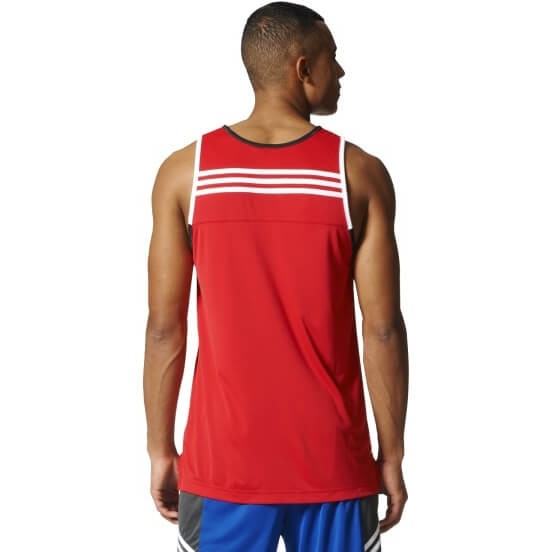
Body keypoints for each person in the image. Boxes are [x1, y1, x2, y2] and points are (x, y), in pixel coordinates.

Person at [143, 2, 409, 550]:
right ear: (302, 68)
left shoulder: (185, 173)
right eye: (332, 58)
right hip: (335, 465)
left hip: (223, 467)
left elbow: (164, 328)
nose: (341, 71)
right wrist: (392, 454)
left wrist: (160, 448)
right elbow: (382, 329)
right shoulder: (357, 174)